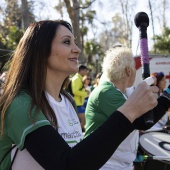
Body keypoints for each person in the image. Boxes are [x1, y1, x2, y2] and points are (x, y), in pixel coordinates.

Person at [0, 20, 167, 170]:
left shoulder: (67, 100)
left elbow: (81, 156)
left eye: (75, 42)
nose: (77, 49)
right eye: (67, 42)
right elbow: (67, 165)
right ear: (41, 51)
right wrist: (129, 111)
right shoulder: (20, 104)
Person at [84, 45, 170, 170]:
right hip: (105, 165)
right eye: (134, 68)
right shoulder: (106, 91)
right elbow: (142, 122)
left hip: (117, 165)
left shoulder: (117, 92)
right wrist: (167, 96)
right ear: (129, 71)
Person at [71, 64, 89, 131]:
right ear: (81, 70)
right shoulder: (76, 79)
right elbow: (75, 91)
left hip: (79, 104)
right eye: (85, 70)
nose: (86, 72)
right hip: (77, 104)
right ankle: (76, 134)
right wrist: (85, 94)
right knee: (83, 120)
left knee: (82, 121)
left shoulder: (79, 78)